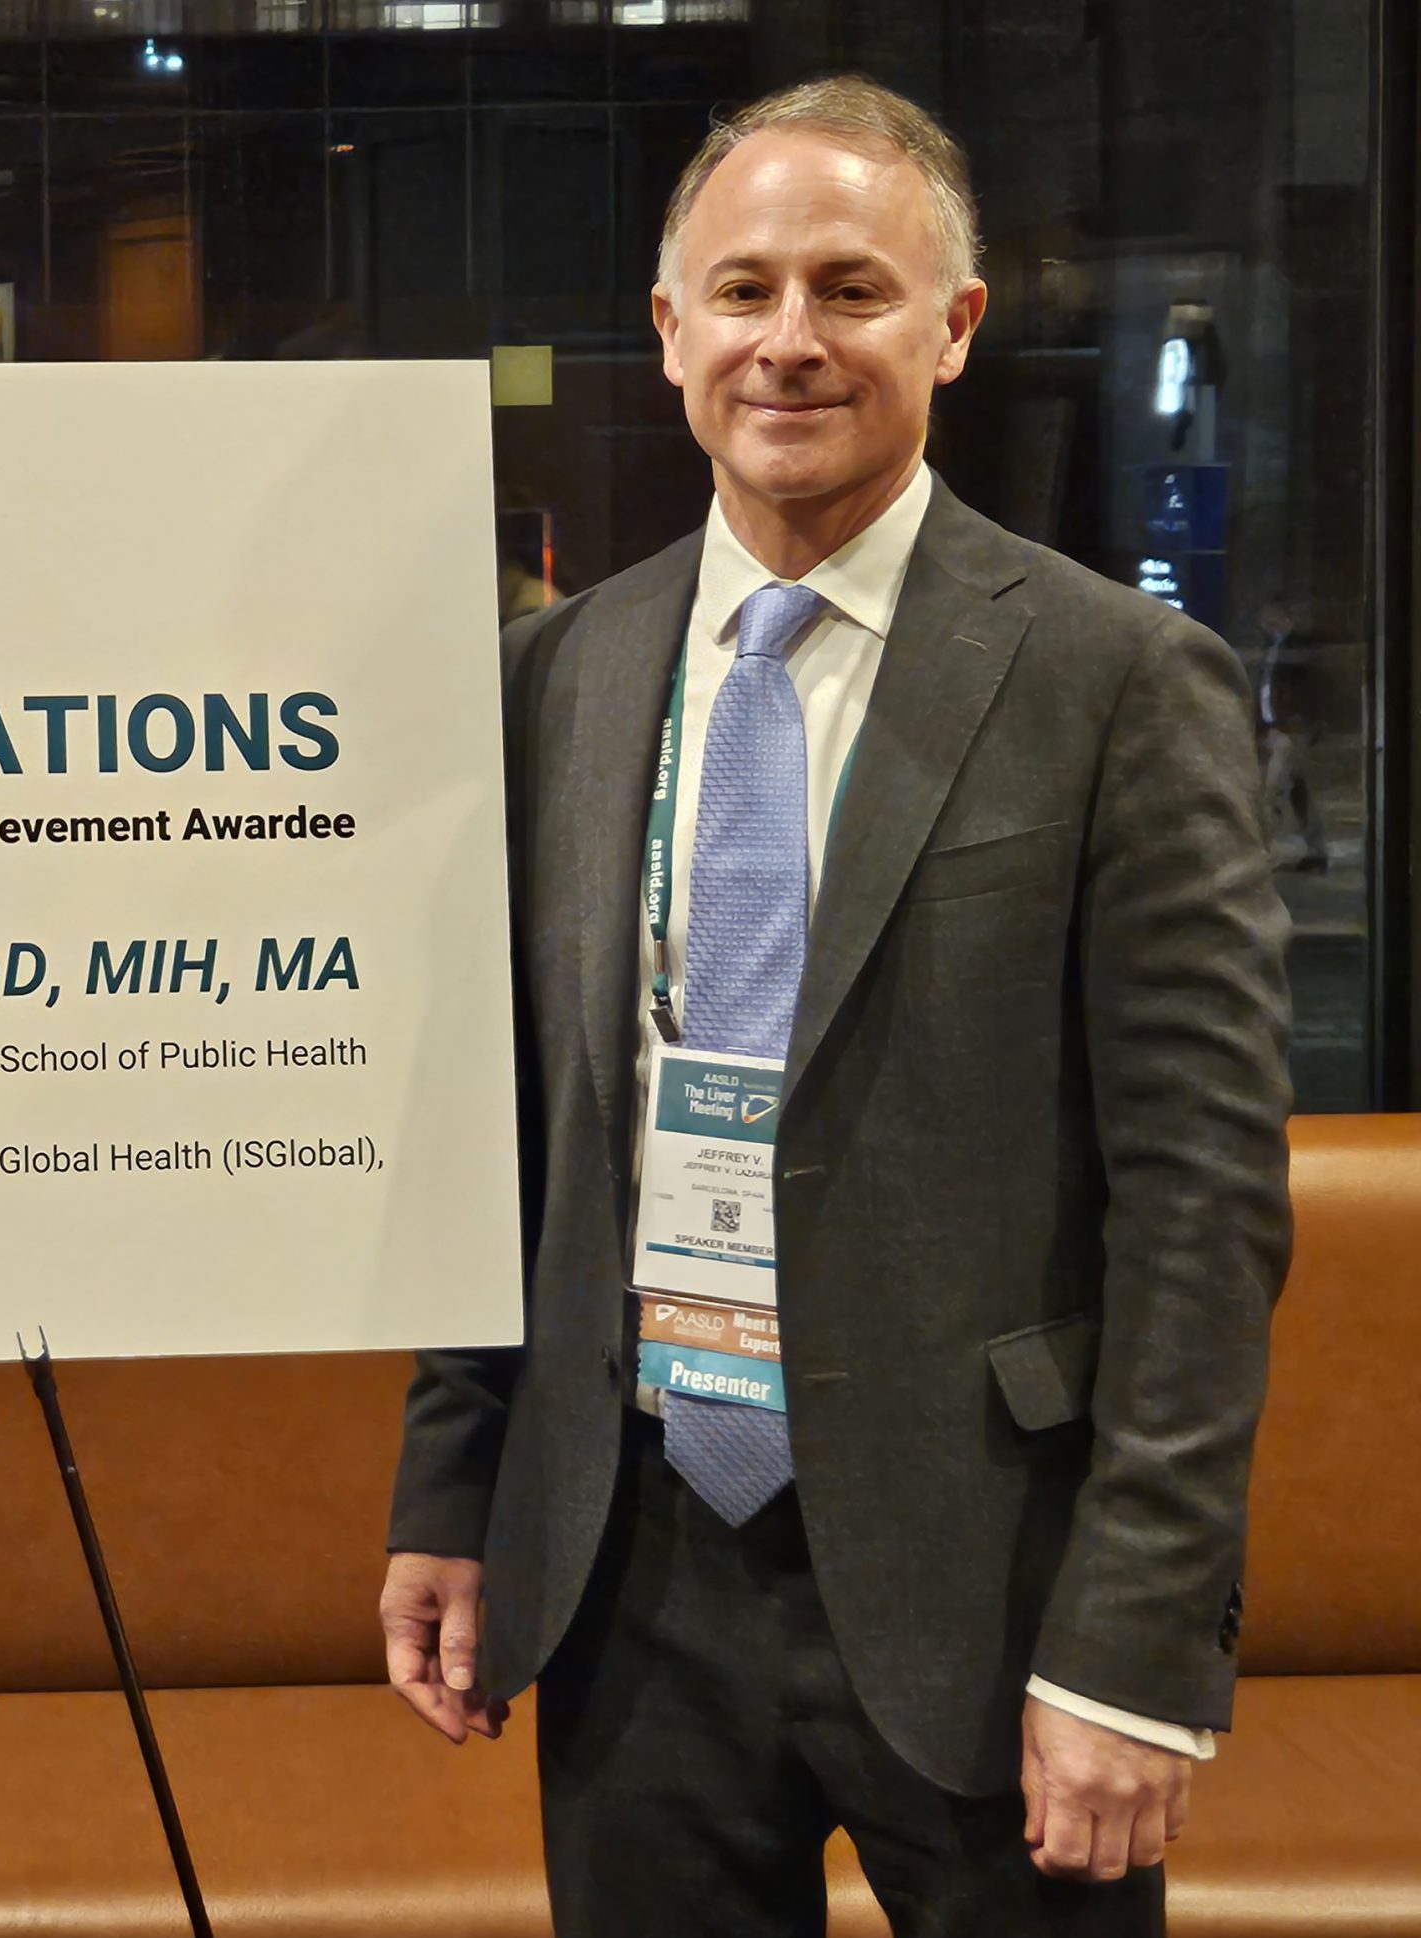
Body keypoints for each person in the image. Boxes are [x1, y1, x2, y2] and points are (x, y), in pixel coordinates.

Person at [381, 76, 1291, 1938]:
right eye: (742, 291)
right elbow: (514, 1126)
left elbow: (1202, 1211)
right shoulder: (558, 675)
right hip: (630, 1570)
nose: (788, 340)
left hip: (993, 1586)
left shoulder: (1119, 682)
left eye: (851, 290)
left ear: (954, 328)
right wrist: (452, 1483)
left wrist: (1133, 1644)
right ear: (667, 334)